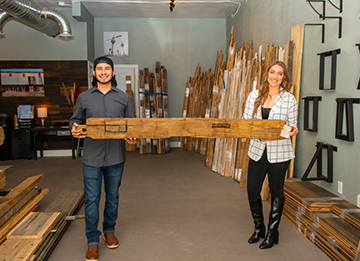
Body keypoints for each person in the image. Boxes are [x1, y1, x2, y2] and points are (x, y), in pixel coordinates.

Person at [70, 56, 138, 261]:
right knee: (91, 199)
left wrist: (133, 136)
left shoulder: (124, 98)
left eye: (107, 68)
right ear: (94, 73)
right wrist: (73, 128)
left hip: (116, 156)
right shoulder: (84, 98)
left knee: (113, 196)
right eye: (99, 69)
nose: (103, 72)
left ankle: (109, 231)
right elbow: (75, 119)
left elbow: (131, 125)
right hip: (91, 157)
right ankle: (92, 241)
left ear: (113, 72)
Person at [242, 60, 299, 250]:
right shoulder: (254, 95)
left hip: (279, 153)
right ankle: (259, 228)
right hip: (257, 151)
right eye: (272, 72)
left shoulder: (289, 99)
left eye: (280, 73)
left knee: (276, 193)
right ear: (267, 74)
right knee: (252, 191)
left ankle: (272, 233)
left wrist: (279, 135)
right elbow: (245, 122)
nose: (275, 77)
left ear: (284, 77)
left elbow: (292, 126)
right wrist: (257, 135)